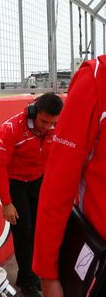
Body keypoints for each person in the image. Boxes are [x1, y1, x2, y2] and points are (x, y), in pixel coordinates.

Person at [33, 55, 106, 297]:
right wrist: (48, 274)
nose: (47, 126)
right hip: (99, 264)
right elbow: (57, 184)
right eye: (43, 121)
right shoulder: (96, 77)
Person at [0, 92, 63, 297]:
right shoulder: (11, 128)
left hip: (38, 181)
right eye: (43, 121)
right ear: (33, 112)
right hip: (16, 185)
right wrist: (6, 203)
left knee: (39, 232)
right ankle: (27, 281)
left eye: (52, 123)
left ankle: (32, 274)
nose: (47, 127)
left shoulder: (54, 127)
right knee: (24, 234)